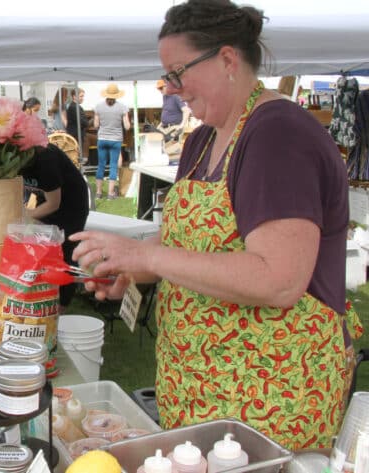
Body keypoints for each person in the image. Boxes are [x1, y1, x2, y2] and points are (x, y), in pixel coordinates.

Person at [71, 0, 362, 450]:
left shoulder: (277, 135)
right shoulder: (202, 139)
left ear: (227, 59)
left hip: (270, 393)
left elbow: (279, 279)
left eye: (178, 72)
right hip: (200, 386)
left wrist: (145, 254)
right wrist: (133, 271)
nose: (170, 88)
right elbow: (182, 245)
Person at [21, 143, 89, 307]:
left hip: (71, 207)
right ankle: (44, 298)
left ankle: (62, 307)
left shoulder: (46, 159)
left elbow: (53, 204)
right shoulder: (14, 158)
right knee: (45, 253)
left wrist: (22, 217)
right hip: (48, 201)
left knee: (64, 255)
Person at [92, 84, 130, 200]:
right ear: (116, 95)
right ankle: (110, 194)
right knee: (113, 165)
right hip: (116, 140)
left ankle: (98, 193)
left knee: (101, 165)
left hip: (102, 139)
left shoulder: (98, 107)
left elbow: (96, 125)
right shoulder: (123, 107)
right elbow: (127, 126)